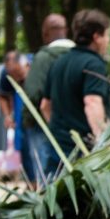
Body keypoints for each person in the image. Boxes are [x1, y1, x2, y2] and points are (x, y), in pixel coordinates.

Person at [46, 9, 110, 170]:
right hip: (83, 155)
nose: (108, 41)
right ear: (96, 37)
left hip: (57, 150)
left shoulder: (59, 62)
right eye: (107, 36)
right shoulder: (94, 65)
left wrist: (58, 134)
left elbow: (45, 105)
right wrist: (103, 143)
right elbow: (92, 102)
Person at [24, 13, 74, 182]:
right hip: (74, 129)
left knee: (47, 179)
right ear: (66, 30)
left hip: (43, 127)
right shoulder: (79, 55)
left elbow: (32, 93)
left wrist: (29, 120)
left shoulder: (43, 58)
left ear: (45, 33)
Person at [0, 50, 36, 183]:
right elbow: (2, 96)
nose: (16, 79)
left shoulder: (38, 65)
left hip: (40, 112)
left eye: (19, 74)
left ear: (26, 65)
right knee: (25, 149)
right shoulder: (6, 74)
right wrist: (7, 115)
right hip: (22, 115)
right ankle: (32, 183)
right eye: (12, 76)